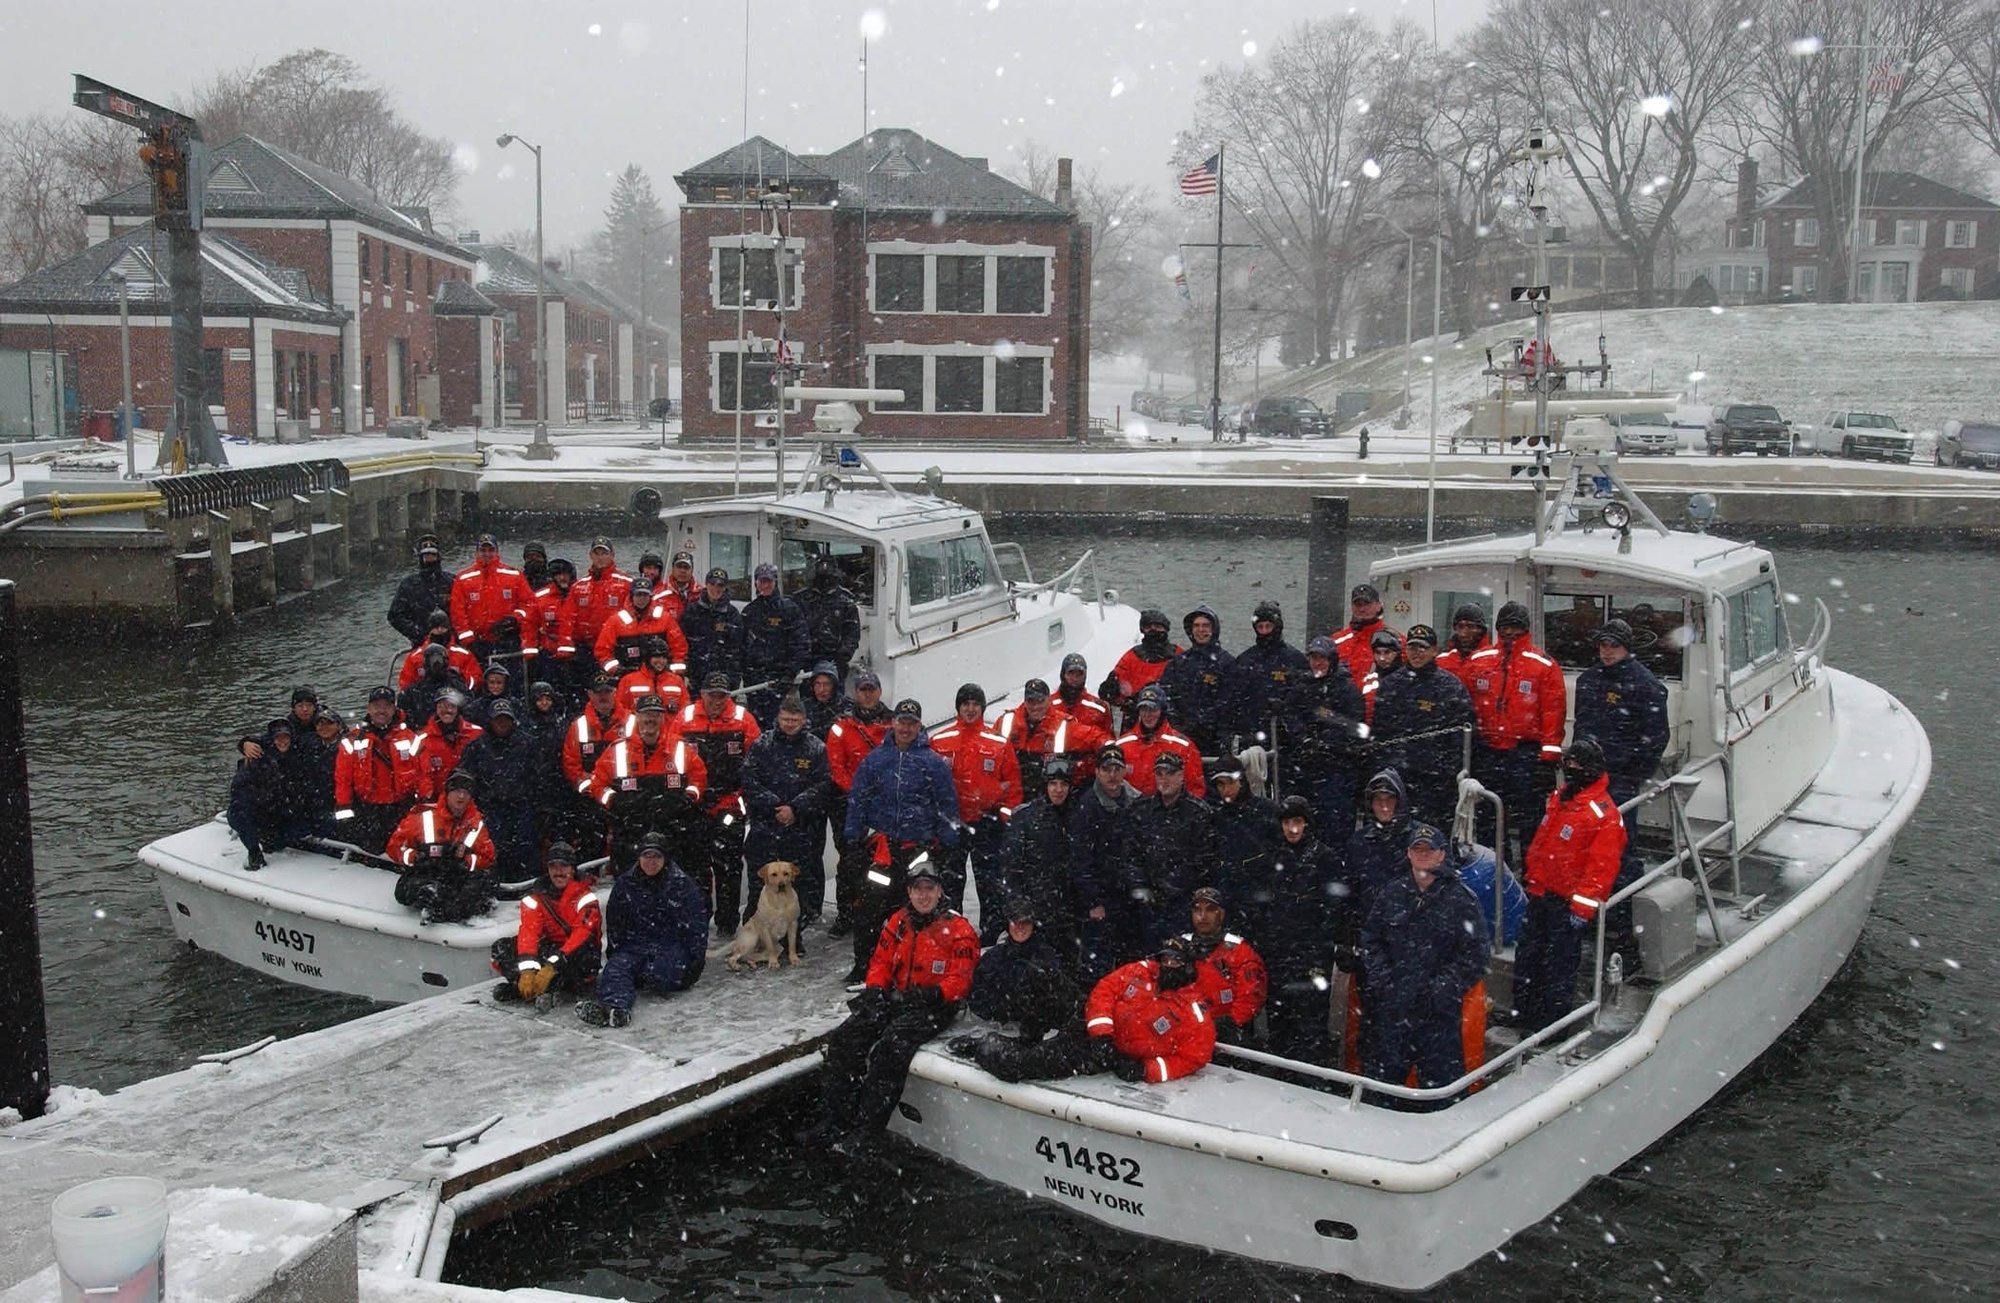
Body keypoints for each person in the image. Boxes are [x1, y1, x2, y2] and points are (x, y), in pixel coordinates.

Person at [812, 856, 978, 1153]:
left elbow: (961, 980)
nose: (923, 895)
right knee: (844, 1040)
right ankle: (836, 1121)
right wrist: (876, 991)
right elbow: (880, 962)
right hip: (897, 998)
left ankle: (867, 1133)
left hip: (934, 1006)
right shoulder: (897, 921)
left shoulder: (958, 930)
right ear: (909, 892)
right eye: (917, 889)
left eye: (929, 888)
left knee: (890, 1049)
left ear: (940, 891)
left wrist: (930, 996)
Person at [1358, 821, 1490, 1107]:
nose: (1423, 855)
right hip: (1394, 1012)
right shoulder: (1391, 893)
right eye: (1417, 849)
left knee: (1444, 1096)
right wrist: (1385, 982)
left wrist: (1441, 989)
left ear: (1442, 854)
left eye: (1429, 850)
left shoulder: (1461, 900)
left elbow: (1476, 956)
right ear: (1408, 853)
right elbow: (1370, 941)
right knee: (1379, 1094)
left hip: (1438, 1017)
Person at [842, 697, 962, 985]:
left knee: (917, 910)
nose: (906, 728)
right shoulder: (876, 760)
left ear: (919, 726)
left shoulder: (932, 763)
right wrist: (852, 837)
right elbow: (858, 799)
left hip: (918, 851)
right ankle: (864, 966)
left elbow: (947, 806)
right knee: (869, 909)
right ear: (893, 723)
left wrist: (948, 843)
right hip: (883, 850)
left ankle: (913, 967)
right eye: (901, 722)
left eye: (912, 723)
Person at [1512, 739, 1626, 1036]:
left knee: (1557, 968)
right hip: (1541, 894)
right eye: (1569, 765)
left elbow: (1602, 866)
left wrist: (1582, 907)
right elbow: (1544, 842)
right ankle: (1524, 1016)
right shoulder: (1561, 798)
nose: (1570, 771)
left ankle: (1552, 1027)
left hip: (1565, 905)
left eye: (1576, 767)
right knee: (1529, 958)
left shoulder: (1601, 815)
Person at [1572, 619, 1669, 913]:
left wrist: (1631, 773)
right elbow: (1581, 725)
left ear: (1626, 648)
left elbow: (1656, 737)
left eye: (1614, 646)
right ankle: (1588, 902)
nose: (1607, 651)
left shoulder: (1645, 686)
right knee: (1585, 840)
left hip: (1620, 780)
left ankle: (1623, 909)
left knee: (1621, 843)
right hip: (1587, 778)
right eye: (1603, 645)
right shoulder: (1588, 681)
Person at [1246, 795, 1346, 1064]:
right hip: (1278, 954)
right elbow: (1260, 906)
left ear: (1307, 824)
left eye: (1298, 822)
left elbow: (1334, 909)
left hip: (1312, 956)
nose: (1292, 829)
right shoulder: (1270, 858)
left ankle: (1312, 1076)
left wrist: (1317, 948)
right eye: (1287, 822)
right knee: (1280, 1020)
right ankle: (1282, 1073)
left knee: (1311, 1023)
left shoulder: (1326, 858)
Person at [577, 832, 710, 1028]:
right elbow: (615, 922)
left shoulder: (682, 885)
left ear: (665, 859)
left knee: (662, 974)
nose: (651, 861)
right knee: (616, 970)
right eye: (647, 856)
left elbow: (697, 925)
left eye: (657, 856)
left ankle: (648, 976)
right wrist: (616, 952)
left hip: (670, 945)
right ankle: (616, 1009)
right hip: (635, 945)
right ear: (639, 857)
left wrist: (694, 962)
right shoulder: (625, 884)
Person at [1464, 601, 1567, 854]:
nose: (1510, 633)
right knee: (1488, 817)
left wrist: (1548, 756)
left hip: (1525, 755)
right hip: (1488, 752)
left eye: (1515, 627)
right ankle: (1494, 869)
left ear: (1525, 629)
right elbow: (1465, 703)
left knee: (1529, 819)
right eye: (1505, 627)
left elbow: (1553, 711)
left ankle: (1532, 875)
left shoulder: (1543, 665)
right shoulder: (1479, 660)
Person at [675, 672, 763, 936]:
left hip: (729, 804)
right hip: (695, 804)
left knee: (729, 866)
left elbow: (756, 762)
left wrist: (738, 797)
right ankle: (700, 918)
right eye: (712, 695)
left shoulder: (743, 720)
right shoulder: (684, 719)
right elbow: (672, 759)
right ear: (701, 694)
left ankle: (727, 921)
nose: (716, 700)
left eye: (721, 696)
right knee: (696, 865)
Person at [926, 683, 1021, 923]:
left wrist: (1005, 817)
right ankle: (950, 928)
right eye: (965, 704)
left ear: (982, 707)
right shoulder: (939, 740)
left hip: (986, 823)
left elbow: (1013, 784)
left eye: (975, 704)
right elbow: (927, 784)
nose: (970, 709)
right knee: (950, 881)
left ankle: (991, 934)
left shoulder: (997, 742)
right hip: (952, 823)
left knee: (989, 882)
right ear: (958, 707)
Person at [590, 693, 707, 879]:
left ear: (662, 717)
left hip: (672, 831)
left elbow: (699, 778)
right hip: (631, 832)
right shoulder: (618, 750)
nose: (651, 719)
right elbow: (597, 784)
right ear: (637, 717)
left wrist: (687, 798)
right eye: (646, 714)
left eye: (656, 714)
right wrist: (615, 800)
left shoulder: (680, 748)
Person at [1370, 624, 1477, 825]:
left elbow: (1463, 736)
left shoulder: (1450, 687)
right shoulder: (1391, 685)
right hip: (1398, 775)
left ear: (1434, 651)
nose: (1416, 654)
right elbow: (1380, 731)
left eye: (1422, 648)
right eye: (1412, 648)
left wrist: (1444, 769)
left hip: (1435, 781)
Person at [741, 695, 832, 926]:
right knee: (759, 880)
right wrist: (773, 805)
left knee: (799, 880)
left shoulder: (816, 748)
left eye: (794, 719)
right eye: (785, 719)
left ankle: (796, 932)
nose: (789, 723)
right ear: (778, 719)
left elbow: (823, 784)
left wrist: (795, 807)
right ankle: (753, 927)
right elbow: (749, 779)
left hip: (800, 826)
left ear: (803, 719)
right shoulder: (762, 745)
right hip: (765, 824)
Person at [1121, 752, 1217, 953]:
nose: (1164, 779)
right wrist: (1142, 889)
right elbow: (1131, 855)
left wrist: (1175, 887)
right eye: (1160, 773)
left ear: (1181, 775)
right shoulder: (1141, 810)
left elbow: (1205, 860)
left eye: (1170, 773)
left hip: (1184, 905)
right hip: (1149, 907)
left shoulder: (1199, 813)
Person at [493, 843, 602, 1010]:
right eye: (553, 866)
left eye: (564, 866)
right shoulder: (536, 898)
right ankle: (527, 986)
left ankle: (550, 987)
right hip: (550, 949)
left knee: (582, 960)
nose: (559, 872)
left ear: (572, 870)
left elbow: (582, 934)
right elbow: (529, 932)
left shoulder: (585, 897)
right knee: (502, 948)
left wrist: (553, 965)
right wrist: (527, 970)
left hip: (574, 952)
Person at [825, 670, 892, 939]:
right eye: (862, 689)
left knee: (882, 861)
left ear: (879, 691)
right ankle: (846, 913)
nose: (867, 694)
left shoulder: (893, 723)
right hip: (849, 804)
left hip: (884, 804)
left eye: (871, 689)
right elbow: (836, 766)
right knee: (849, 861)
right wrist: (858, 792)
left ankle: (877, 912)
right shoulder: (841, 726)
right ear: (855, 692)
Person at [995, 757, 1082, 956]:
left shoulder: (1080, 816)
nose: (1058, 790)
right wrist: (1018, 907)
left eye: (1063, 784)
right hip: (1035, 910)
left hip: (1071, 911)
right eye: (1053, 784)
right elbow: (1009, 868)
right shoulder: (1026, 818)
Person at [386, 771, 499, 924]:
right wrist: (416, 858)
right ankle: (437, 899)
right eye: (457, 791)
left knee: (479, 885)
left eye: (466, 793)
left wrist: (466, 861)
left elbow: (488, 857)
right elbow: (394, 847)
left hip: (458, 877)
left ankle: (447, 906)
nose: (461, 797)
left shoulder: (475, 823)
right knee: (404, 891)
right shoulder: (424, 816)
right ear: (447, 793)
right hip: (429, 872)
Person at [963, 899, 1080, 1043]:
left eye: (1025, 923)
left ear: (1033, 926)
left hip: (1040, 1034)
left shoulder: (1047, 956)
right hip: (996, 1026)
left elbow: (1058, 999)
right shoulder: (993, 956)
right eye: (1015, 922)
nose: (1020, 928)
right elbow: (976, 994)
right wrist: (999, 1007)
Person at [457, 698, 548, 880]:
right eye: (498, 719)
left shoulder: (528, 744)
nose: (502, 724)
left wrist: (540, 808)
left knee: (525, 844)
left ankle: (527, 881)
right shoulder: (476, 748)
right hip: (490, 809)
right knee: (495, 845)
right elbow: (466, 780)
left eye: (506, 719)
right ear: (490, 721)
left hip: (522, 806)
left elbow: (539, 778)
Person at [1071, 744, 1141, 978]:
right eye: (1106, 769)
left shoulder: (1138, 803)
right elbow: (1081, 860)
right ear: (1097, 772)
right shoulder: (1086, 808)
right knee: (1097, 967)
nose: (1112, 775)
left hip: (1131, 899)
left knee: (1130, 964)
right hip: (1101, 899)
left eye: (1116, 769)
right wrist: (1093, 901)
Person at [1284, 635, 1367, 831]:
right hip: (1307, 769)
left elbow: (1355, 727)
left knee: (1335, 827)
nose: (1317, 663)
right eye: (1313, 658)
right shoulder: (1302, 687)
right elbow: (1290, 714)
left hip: (1338, 770)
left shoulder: (1347, 690)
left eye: (1322, 658)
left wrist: (1325, 743)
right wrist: (1303, 738)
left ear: (1332, 660)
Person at [333, 686, 419, 854]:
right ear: (369, 708)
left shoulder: (410, 738)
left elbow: (423, 774)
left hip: (400, 807)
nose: (381, 710)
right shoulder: (353, 740)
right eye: (377, 706)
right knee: (371, 851)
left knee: (403, 849)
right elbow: (343, 778)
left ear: (394, 709)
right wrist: (344, 807)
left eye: (386, 706)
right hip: (369, 809)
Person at [1179, 887, 1267, 1046]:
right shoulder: (1178, 948)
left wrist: (1230, 1022)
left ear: (1221, 914)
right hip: (1184, 1030)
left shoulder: (1240, 951)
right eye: (1197, 910)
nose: (1202, 916)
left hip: (1228, 1035)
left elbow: (1252, 995)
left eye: (1210, 910)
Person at [1225, 599, 1309, 756]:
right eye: (1260, 627)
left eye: (1268, 626)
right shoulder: (1244, 660)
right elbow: (1232, 700)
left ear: (1277, 627)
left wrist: (1284, 708)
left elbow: (1305, 700)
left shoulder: (1295, 660)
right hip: (1250, 738)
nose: (1264, 631)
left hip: (1284, 739)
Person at [995, 676, 1106, 795]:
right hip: (1012, 793)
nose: (1035, 707)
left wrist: (1109, 754)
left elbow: (1098, 738)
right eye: (1031, 701)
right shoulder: (1006, 722)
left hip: (1049, 797)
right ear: (1025, 701)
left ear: (1049, 700)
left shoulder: (1064, 725)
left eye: (1040, 701)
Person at [561, 670, 634, 848]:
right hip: (589, 799)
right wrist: (590, 788)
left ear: (614, 692)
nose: (603, 697)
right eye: (598, 692)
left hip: (624, 796)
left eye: (607, 692)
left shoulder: (632, 722)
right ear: (589, 694)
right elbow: (571, 763)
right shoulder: (579, 726)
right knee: (590, 844)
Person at [228, 719, 307, 870]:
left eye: (286, 737)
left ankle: (277, 840)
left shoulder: (298, 755)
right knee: (239, 811)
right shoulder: (257, 758)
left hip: (286, 810)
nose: (282, 741)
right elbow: (238, 790)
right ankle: (254, 850)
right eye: (278, 738)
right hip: (263, 809)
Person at [741, 561, 811, 728]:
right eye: (761, 581)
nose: (765, 585)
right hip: (755, 681)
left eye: (768, 581)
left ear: (775, 583)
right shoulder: (750, 611)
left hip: (782, 681)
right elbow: (741, 646)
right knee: (756, 724)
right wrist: (747, 672)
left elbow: (801, 643)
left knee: (782, 723)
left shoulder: (789, 609)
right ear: (756, 583)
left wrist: (790, 673)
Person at [1207, 752, 1280, 910]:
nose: (1226, 789)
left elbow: (1280, 855)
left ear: (1241, 780)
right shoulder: (1216, 818)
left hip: (1263, 897)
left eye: (1230, 782)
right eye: (1220, 784)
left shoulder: (1267, 811)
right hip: (1229, 898)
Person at [1160, 604, 1234, 755]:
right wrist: (1178, 723)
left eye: (1206, 626)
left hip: (1215, 738)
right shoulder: (1178, 663)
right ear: (1190, 630)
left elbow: (1229, 703)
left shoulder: (1227, 663)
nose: (1201, 630)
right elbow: (1166, 696)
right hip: (1181, 735)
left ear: (1214, 629)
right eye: (1196, 626)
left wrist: (1205, 722)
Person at [558, 538, 633, 684]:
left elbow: (632, 617)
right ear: (590, 555)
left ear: (612, 555)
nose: (600, 557)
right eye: (597, 553)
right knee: (584, 687)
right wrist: (566, 645)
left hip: (614, 648)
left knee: (614, 686)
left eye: (604, 553)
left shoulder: (626, 583)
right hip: (585, 649)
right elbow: (567, 619)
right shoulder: (579, 586)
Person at [449, 533, 530, 667]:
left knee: (511, 682)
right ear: (477, 552)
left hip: (508, 641)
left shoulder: (514, 576)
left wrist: (514, 619)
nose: (487, 554)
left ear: (497, 552)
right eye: (483, 550)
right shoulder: (463, 579)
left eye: (491, 550)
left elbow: (529, 604)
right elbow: (457, 612)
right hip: (478, 644)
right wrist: (469, 640)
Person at [1111, 684, 1206, 799]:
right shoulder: (1122, 745)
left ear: (1162, 710)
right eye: (1144, 709)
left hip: (1169, 812)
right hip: (1131, 812)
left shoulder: (1184, 746)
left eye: (1153, 709)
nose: (1147, 715)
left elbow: (1195, 789)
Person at [595, 579, 689, 678]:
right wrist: (616, 670)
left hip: (659, 675)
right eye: (638, 595)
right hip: (626, 676)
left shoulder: (664, 619)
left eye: (645, 595)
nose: (642, 599)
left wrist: (672, 670)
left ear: (650, 597)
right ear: (631, 596)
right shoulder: (616, 621)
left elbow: (679, 646)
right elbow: (602, 650)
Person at [679, 566, 746, 690]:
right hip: (697, 676)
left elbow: (738, 647)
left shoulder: (732, 614)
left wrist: (734, 674)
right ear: (706, 585)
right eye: (713, 584)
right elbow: (681, 642)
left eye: (720, 585)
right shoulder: (692, 611)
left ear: (725, 587)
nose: (716, 589)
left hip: (725, 676)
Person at [410, 689, 483, 802]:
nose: (447, 710)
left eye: (452, 706)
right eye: (442, 706)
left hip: (472, 798)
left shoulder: (476, 734)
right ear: (436, 709)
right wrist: (427, 797)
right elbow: (422, 775)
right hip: (438, 802)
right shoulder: (423, 739)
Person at [798, 558, 862, 683]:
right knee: (809, 697)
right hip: (808, 661)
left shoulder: (846, 600)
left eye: (828, 577)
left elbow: (852, 634)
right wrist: (799, 658)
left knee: (834, 698)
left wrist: (842, 658)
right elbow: (795, 631)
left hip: (835, 660)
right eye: (821, 577)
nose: (825, 582)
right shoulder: (802, 599)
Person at [387, 533, 454, 648]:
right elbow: (395, 616)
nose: (429, 559)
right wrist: (417, 632)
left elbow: (464, 610)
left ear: (438, 556)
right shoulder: (409, 585)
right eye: (426, 556)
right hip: (421, 644)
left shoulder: (452, 581)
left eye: (432, 555)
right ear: (420, 558)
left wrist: (454, 632)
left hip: (452, 642)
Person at [1108, 608, 1181, 711]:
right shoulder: (1131, 657)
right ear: (1142, 630)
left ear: (1166, 629)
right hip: (1137, 715)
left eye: (1158, 626)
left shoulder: (1178, 655)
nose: (1153, 630)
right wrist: (1114, 692)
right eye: (1149, 627)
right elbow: (1115, 693)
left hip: (1170, 716)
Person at [1329, 582, 1398, 686]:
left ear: (1379, 606)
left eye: (1367, 604)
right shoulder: (1336, 641)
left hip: (1380, 700)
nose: (1362, 609)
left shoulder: (1395, 639)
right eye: (1358, 605)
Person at [398, 610, 480, 693]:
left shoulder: (463, 655)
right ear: (430, 630)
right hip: (424, 699)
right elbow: (405, 684)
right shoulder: (415, 657)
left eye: (443, 627)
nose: (440, 630)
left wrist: (459, 683)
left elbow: (475, 680)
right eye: (436, 628)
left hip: (455, 698)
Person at [616, 635, 691, 719]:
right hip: (639, 730)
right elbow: (620, 710)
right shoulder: (628, 681)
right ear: (647, 658)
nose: (661, 661)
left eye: (664, 657)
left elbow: (685, 710)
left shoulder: (677, 681)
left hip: (671, 731)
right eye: (656, 657)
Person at [1052, 652, 1113, 734]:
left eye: (1079, 673)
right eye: (1071, 672)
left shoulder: (1100, 708)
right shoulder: (1047, 706)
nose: (1075, 677)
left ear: (1085, 676)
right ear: (1063, 674)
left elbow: (1108, 742)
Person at [1436, 603, 1492, 689]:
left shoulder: (1494, 660)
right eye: (1460, 626)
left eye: (1470, 626)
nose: (1464, 633)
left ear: (1481, 630)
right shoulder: (1442, 660)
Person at [1359, 629, 1404, 725]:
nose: (1382, 658)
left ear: (1397, 653)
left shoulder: (1408, 680)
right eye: (1378, 653)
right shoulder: (1368, 680)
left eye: (1387, 652)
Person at [800, 660, 851, 741]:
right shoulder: (803, 707)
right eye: (818, 684)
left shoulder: (847, 706)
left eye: (827, 684)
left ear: (834, 686)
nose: (821, 689)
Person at [461, 661, 516, 730]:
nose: (495, 686)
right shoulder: (475, 707)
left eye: (499, 683)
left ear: (505, 684)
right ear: (486, 683)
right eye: (492, 682)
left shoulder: (515, 704)